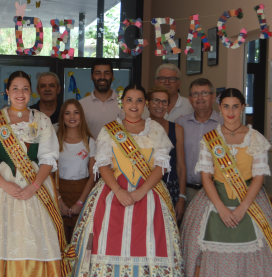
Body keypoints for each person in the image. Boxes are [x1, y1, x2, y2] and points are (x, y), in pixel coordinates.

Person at [0, 71, 73, 277]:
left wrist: (34, 187)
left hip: (36, 185)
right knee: (0, 239)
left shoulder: (42, 119)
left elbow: (48, 158)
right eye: (15, 88)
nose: (20, 93)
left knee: (35, 238)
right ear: (7, 92)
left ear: (31, 92)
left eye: (24, 89)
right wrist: (4, 184)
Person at [181, 88, 272, 276]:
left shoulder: (256, 138)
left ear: (243, 107)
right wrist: (221, 208)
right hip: (214, 201)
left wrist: (243, 208)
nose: (231, 112)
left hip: (250, 201)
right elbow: (206, 177)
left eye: (235, 106)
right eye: (226, 106)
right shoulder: (210, 139)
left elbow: (259, 177)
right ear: (220, 107)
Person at [69, 84, 182, 276]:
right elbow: (102, 164)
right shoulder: (110, 129)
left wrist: (141, 191)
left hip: (149, 194)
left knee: (149, 244)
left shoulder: (155, 129)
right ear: (122, 103)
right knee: (107, 241)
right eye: (129, 100)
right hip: (112, 194)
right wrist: (118, 191)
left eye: (139, 100)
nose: (134, 105)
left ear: (145, 104)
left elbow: (162, 166)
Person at [175, 78, 223, 205]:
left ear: (213, 97)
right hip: (187, 192)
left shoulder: (223, 124)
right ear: (190, 99)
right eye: (195, 94)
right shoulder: (180, 124)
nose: (200, 97)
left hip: (217, 192)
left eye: (204, 93)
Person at [55, 99, 96, 241]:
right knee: (60, 240)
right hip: (59, 192)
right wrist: (60, 203)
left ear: (81, 116)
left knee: (79, 240)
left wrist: (80, 203)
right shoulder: (55, 141)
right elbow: (50, 175)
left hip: (82, 192)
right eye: (67, 113)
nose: (72, 117)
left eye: (76, 113)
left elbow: (93, 176)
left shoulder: (90, 142)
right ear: (62, 117)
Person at [147, 86, 187, 220]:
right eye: (156, 101)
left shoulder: (176, 129)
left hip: (170, 188)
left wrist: (181, 197)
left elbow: (180, 167)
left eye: (164, 102)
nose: (160, 105)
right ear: (148, 103)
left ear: (168, 106)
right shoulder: (139, 128)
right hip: (145, 187)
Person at [79, 59, 123, 138]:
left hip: (119, 150)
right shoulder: (81, 105)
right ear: (92, 76)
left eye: (106, 73)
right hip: (90, 150)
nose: (102, 77)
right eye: (98, 73)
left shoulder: (124, 103)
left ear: (112, 76)